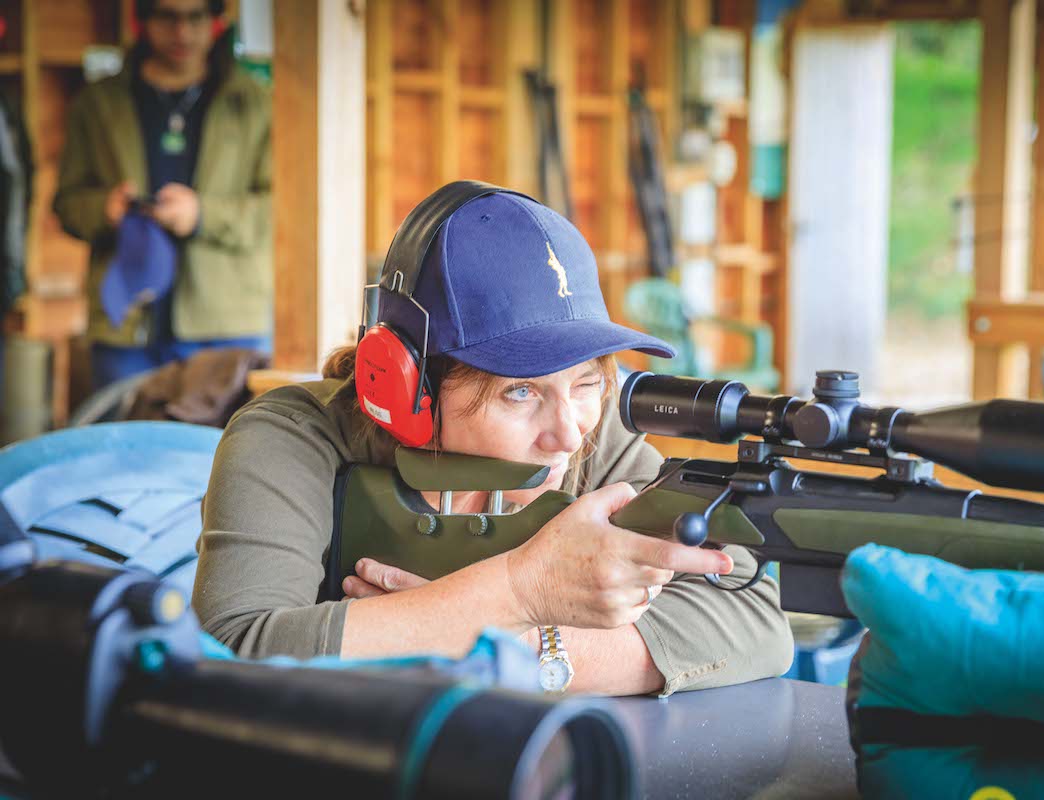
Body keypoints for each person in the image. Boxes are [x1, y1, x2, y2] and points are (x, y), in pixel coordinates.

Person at [194, 185, 794, 696]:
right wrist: (520, 588)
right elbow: (234, 652)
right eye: (520, 393)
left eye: (586, 381)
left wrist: (514, 649)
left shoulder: (596, 436)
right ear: (408, 385)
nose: (568, 432)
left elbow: (752, 618)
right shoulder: (292, 439)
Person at [53, 0, 272, 392]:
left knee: (227, 451)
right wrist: (105, 209)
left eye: (195, 17)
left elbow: (280, 211)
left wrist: (202, 214)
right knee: (125, 449)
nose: (182, 33)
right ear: (144, 20)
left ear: (216, 21)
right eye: (168, 17)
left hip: (228, 322)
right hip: (128, 322)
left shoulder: (256, 103)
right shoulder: (99, 103)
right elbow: (67, 203)